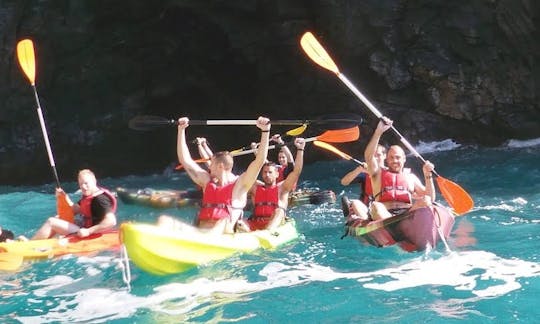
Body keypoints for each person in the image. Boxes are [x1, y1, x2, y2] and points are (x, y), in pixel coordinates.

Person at [158, 116, 271, 234]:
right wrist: (181, 130)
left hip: (223, 235)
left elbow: (259, 162)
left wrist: (265, 131)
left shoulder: (240, 184)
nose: (209, 167)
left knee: (223, 222)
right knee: (164, 220)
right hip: (200, 232)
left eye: (211, 164)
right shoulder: (207, 181)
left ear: (220, 166)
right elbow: (185, 160)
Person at [363, 117, 435, 220]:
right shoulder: (378, 173)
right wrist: (378, 132)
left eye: (398, 157)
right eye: (391, 158)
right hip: (384, 215)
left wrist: (428, 174)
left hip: (407, 214)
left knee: (426, 200)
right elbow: (368, 156)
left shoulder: (411, 177)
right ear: (386, 160)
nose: (395, 160)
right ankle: (392, 226)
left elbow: (430, 198)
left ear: (404, 159)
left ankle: (402, 225)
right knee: (376, 206)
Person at [31, 169, 117, 240]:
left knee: (51, 222)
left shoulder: (100, 199)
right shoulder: (88, 196)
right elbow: (74, 209)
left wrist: (89, 231)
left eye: (86, 183)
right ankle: (40, 242)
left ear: (94, 181)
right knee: (58, 218)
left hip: (90, 234)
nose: (83, 187)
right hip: (84, 229)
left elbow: (111, 221)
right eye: (81, 184)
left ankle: (30, 246)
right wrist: (63, 197)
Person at [246, 138, 306, 231]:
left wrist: (300, 149)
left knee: (279, 211)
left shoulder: (283, 187)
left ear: (276, 174)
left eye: (270, 172)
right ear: (261, 174)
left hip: (275, 225)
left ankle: (268, 231)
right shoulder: (255, 187)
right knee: (239, 222)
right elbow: (260, 161)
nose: (267, 175)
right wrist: (255, 149)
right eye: (265, 172)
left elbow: (296, 171)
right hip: (256, 223)